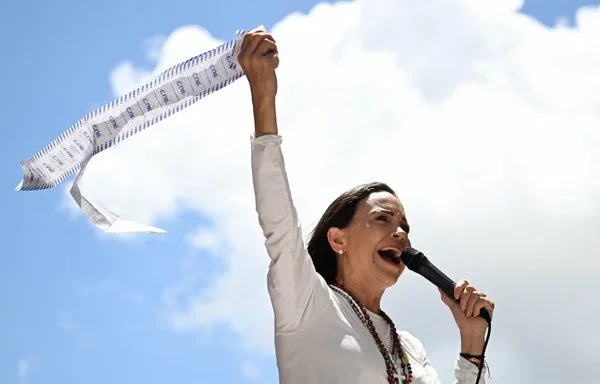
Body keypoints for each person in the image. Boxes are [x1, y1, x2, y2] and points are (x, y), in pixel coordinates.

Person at [238, 28, 495, 384]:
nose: (401, 233)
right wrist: (263, 94)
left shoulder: (409, 348)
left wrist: (471, 343)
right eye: (383, 219)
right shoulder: (308, 303)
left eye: (405, 225)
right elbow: (278, 220)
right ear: (338, 239)